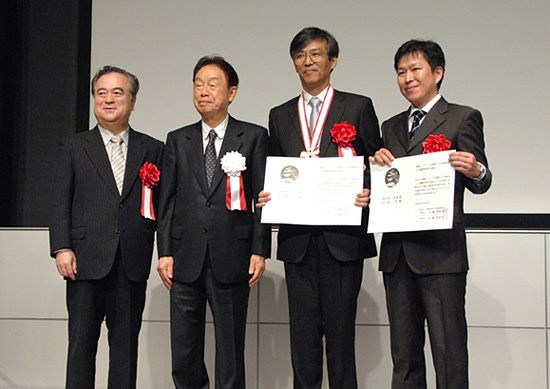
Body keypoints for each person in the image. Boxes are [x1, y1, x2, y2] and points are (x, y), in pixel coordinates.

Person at [258, 27, 382, 388]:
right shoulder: (280, 114)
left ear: (333, 60)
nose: (307, 62)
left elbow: (376, 162)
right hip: (298, 243)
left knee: (341, 338)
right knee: (303, 338)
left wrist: (368, 191)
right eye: (300, 55)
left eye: (315, 54)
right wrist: (266, 195)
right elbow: (275, 171)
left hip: (342, 240)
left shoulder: (357, 106)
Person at [369, 39, 492, 388]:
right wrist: (374, 177)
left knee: (448, 354)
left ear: (437, 73)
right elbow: (390, 186)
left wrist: (475, 169)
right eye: (400, 72)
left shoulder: (461, 118)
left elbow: (482, 182)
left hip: (441, 256)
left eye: (415, 69)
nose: (407, 78)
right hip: (398, 255)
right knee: (404, 356)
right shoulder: (390, 126)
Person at [156, 56, 270, 389]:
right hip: (184, 257)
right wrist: (164, 252)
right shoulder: (178, 139)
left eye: (212, 84)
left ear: (232, 92)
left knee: (230, 349)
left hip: (232, 256)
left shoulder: (252, 136)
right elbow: (168, 201)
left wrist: (260, 250)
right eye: (198, 84)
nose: (203, 91)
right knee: (184, 349)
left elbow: (262, 199)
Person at [49, 65, 164, 388]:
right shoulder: (73, 146)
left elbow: (164, 205)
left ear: (133, 100)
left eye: (117, 92)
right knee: (81, 346)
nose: (109, 99)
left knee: (125, 349)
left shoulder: (152, 148)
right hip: (83, 262)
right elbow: (59, 201)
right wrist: (62, 247)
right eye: (101, 93)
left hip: (131, 261)